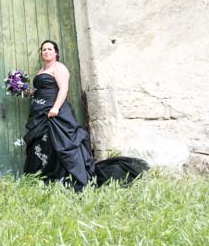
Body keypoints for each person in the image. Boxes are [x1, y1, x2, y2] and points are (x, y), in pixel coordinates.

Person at [24, 40, 148, 190]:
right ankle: (45, 175)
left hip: (54, 112)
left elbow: (63, 89)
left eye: (50, 49)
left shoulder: (60, 68)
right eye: (44, 50)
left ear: (56, 52)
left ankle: (68, 177)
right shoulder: (41, 70)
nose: (46, 52)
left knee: (63, 144)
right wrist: (27, 92)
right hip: (40, 112)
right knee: (45, 144)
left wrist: (55, 108)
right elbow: (41, 91)